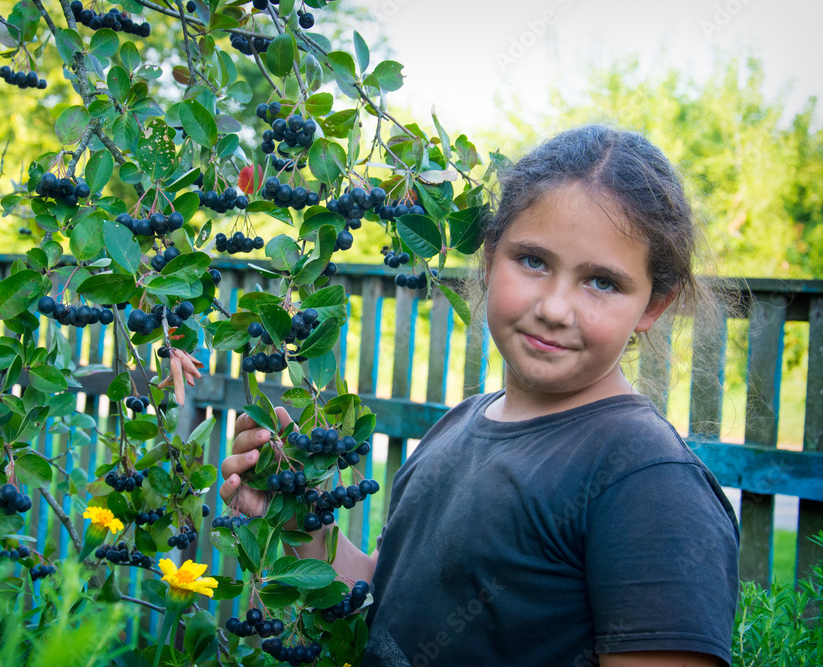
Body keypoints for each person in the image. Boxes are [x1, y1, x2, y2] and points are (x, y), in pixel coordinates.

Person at [220, 125, 740, 667]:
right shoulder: (459, 425)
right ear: (489, 257)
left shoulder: (646, 481)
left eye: (602, 282)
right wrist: (302, 522)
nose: (554, 308)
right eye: (534, 261)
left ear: (653, 305)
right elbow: (386, 611)